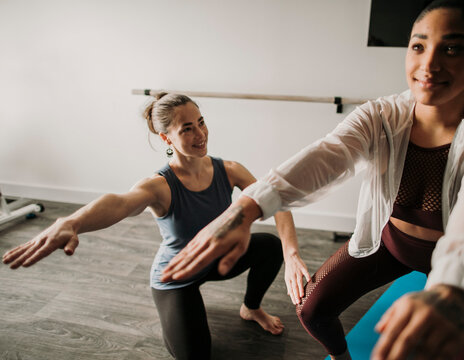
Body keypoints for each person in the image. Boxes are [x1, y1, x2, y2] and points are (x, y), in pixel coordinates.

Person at [157, 1, 464, 359]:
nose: (429, 64)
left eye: (452, 49)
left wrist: (453, 283)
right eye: (419, 46)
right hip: (391, 243)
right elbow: (326, 155)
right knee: (311, 309)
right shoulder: (381, 115)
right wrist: (246, 208)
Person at [2, 93, 311, 360]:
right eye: (187, 128)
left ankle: (251, 308)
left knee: (270, 246)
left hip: (217, 259)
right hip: (177, 276)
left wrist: (292, 253)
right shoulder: (160, 185)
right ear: (166, 138)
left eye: (201, 122)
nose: (200, 134)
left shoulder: (228, 170)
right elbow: (120, 202)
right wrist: (73, 221)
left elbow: (276, 200)